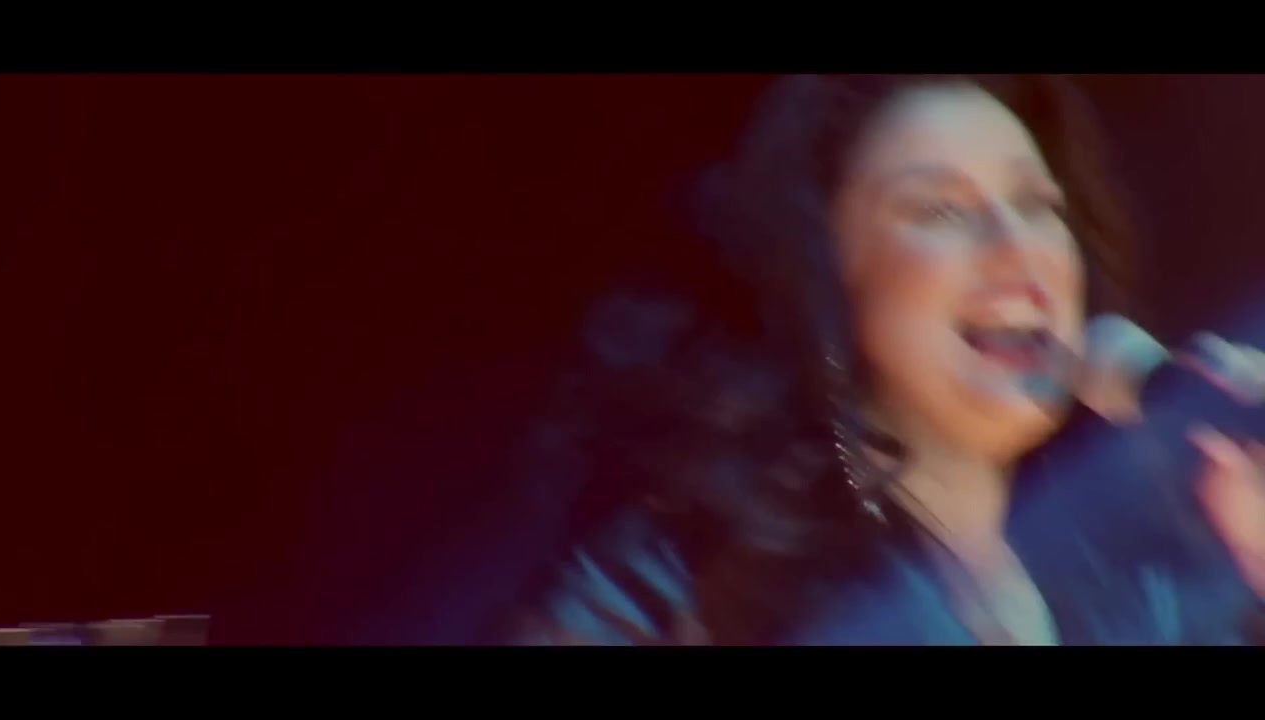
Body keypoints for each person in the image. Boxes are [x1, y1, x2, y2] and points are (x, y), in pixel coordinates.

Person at [497, 74, 1265, 645]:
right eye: (941, 209)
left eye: (1037, 206)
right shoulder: (680, 585)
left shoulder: (1163, 593)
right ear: (829, 282)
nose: (1018, 248)